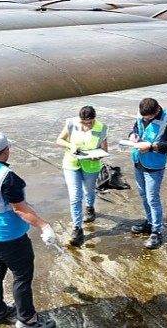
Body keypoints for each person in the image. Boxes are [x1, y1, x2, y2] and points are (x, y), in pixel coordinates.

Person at [0, 131, 57, 328]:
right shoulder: (6, 177)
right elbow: (20, 210)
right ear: (5, 151)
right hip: (9, 237)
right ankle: (27, 320)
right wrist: (44, 226)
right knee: (22, 277)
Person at [128, 98, 167, 249]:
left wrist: (150, 147)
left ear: (157, 111)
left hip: (154, 166)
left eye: (148, 117)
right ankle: (149, 223)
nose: (145, 119)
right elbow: (135, 128)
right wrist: (132, 135)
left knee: (152, 199)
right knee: (144, 196)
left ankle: (157, 232)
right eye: (143, 117)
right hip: (139, 161)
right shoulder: (142, 114)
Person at [55, 105, 108, 246]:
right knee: (75, 196)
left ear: (94, 119)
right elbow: (59, 140)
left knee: (89, 191)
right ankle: (77, 228)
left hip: (91, 165)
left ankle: (90, 207)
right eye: (84, 123)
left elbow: (104, 149)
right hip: (71, 164)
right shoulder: (71, 123)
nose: (87, 125)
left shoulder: (101, 128)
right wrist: (70, 146)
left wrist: (97, 156)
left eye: (90, 123)